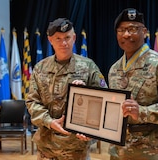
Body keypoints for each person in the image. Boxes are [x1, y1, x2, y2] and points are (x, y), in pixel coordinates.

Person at [108, 8, 158, 160]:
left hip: (152, 152)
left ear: (144, 32)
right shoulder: (114, 69)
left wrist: (143, 112)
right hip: (118, 152)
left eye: (133, 29)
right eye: (121, 30)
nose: (126, 34)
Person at [26, 18, 107, 160]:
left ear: (74, 38)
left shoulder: (88, 67)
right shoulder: (40, 68)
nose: (64, 43)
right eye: (58, 38)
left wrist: (86, 93)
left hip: (77, 148)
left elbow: (103, 101)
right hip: (47, 148)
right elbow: (32, 102)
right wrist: (49, 121)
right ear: (50, 40)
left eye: (67, 37)